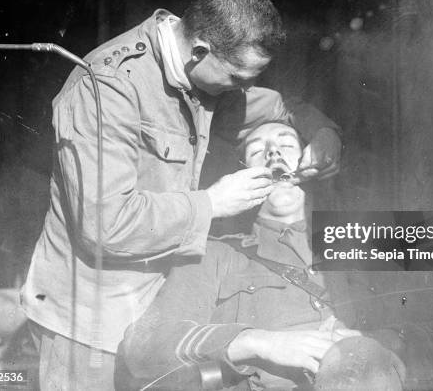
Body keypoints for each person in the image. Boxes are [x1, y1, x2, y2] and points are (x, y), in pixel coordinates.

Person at [21, 0, 342, 390]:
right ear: (200, 52)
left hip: (160, 316)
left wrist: (325, 134)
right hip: (90, 326)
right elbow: (104, 223)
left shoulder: (213, 75)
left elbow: (285, 108)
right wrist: (211, 204)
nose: (243, 89)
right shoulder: (106, 87)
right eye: (237, 77)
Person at [115, 121, 406, 391]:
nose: (273, 152)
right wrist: (258, 342)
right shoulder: (217, 251)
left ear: (312, 164)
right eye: (256, 150)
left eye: (288, 145)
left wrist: (374, 343)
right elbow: (142, 349)